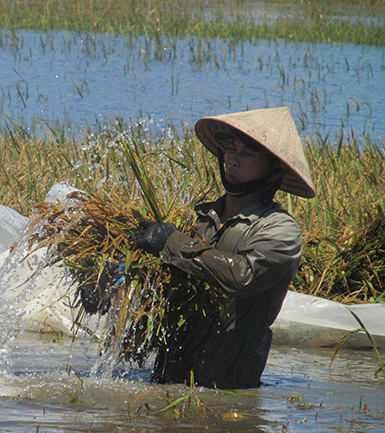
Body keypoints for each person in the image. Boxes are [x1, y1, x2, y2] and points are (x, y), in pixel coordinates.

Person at [135, 107, 315, 389]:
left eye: (246, 153)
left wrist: (172, 242)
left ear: (275, 168)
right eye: (230, 149)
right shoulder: (198, 218)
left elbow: (242, 275)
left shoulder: (279, 230)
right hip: (169, 378)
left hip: (228, 386)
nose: (232, 159)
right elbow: (161, 287)